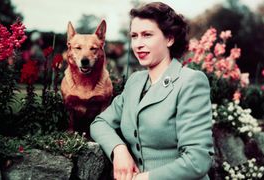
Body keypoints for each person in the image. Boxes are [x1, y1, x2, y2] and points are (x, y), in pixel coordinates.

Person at [90, 2, 214, 180]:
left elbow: (198, 161)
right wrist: (119, 150)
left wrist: (144, 178)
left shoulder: (191, 81)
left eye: (147, 35)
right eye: (134, 36)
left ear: (169, 38)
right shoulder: (135, 82)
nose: (138, 44)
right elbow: (100, 123)